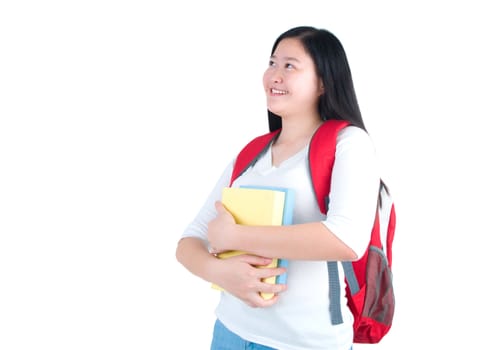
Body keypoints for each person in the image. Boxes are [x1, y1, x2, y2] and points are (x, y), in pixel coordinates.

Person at [176, 26, 381, 350]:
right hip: (229, 334)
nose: (274, 74)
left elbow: (346, 239)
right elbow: (189, 240)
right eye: (272, 63)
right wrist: (219, 271)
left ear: (324, 82)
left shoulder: (349, 143)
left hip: (305, 343)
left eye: (290, 65)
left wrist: (234, 237)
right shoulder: (251, 153)